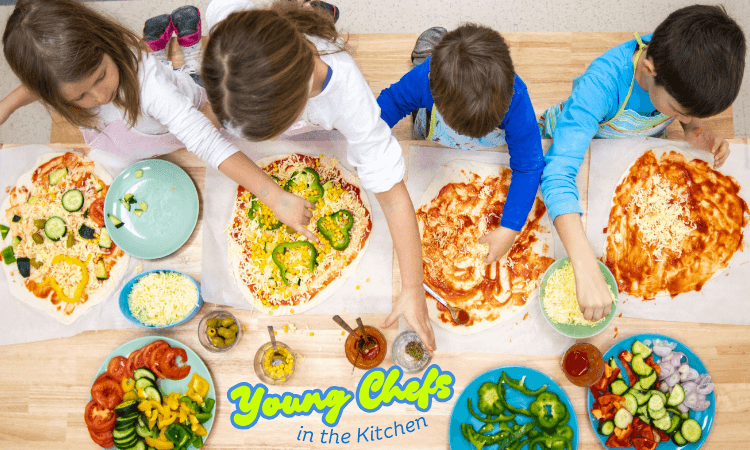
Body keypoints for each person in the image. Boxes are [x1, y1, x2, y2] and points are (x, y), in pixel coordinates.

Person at [202, 0, 437, 354]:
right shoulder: (227, 21)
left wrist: (412, 289)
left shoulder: (348, 96)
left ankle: (316, 13)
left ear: (298, 109)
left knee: (317, 19)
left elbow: (392, 195)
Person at [1, 0, 313, 239]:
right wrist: (9, 105)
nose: (98, 98)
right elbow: (42, 84)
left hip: (183, 114)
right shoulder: (66, 80)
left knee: (212, 103)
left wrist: (276, 197)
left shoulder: (150, 87)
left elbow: (204, 140)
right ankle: (170, 51)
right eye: (78, 97)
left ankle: (188, 60)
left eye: (101, 77)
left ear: (107, 43)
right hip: (143, 143)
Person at [538, 4, 746, 322]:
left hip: (631, 148)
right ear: (649, 71)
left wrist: (694, 129)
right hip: (575, 138)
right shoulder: (602, 85)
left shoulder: (676, 72)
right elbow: (557, 171)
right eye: (679, 109)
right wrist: (584, 264)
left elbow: (684, 113)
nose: (684, 118)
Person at [377, 24, 545, 264]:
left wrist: (510, 227)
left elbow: (529, 165)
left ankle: (439, 48)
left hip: (491, 146)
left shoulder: (515, 98)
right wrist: (369, 139)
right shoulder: (425, 80)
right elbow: (392, 102)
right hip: (438, 133)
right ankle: (432, 53)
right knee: (416, 111)